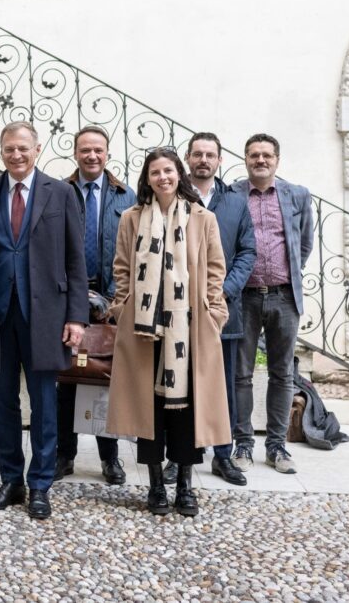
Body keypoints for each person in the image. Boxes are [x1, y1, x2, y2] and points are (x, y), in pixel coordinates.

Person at [0, 121, 88, 520]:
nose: (16, 155)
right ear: (1, 151)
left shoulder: (61, 193)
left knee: (45, 404)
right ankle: (11, 479)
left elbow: (75, 259)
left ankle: (41, 484)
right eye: (9, 148)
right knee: (2, 403)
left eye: (23, 148)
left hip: (46, 317)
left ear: (37, 149)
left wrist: (76, 317)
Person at [106, 147, 230, 517]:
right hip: (143, 330)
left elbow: (216, 269)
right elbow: (121, 267)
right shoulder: (131, 218)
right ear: (147, 179)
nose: (163, 177)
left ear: (180, 174)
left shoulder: (202, 218)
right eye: (155, 172)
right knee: (150, 411)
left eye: (169, 171)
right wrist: (122, 306)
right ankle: (156, 485)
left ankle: (186, 486)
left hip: (188, 330)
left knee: (185, 411)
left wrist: (214, 313)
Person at [56, 126, 136, 485]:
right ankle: (64, 455)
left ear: (107, 154)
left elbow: (134, 249)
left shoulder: (126, 195)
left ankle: (110, 458)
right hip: (68, 298)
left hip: (112, 300)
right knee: (68, 378)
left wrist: (117, 299)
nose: (91, 156)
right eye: (85, 150)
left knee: (106, 377)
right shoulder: (59, 192)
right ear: (75, 153)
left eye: (98, 150)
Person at [231, 133, 314, 475]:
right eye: (254, 155)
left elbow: (304, 243)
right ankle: (243, 443)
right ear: (246, 159)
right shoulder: (232, 194)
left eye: (267, 155)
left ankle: (276, 446)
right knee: (241, 373)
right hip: (244, 297)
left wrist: (287, 272)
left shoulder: (297, 195)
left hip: (284, 296)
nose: (260, 160)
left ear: (277, 160)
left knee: (282, 373)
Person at [183, 132, 256, 486]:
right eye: (197, 154)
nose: (203, 160)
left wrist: (223, 292)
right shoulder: (175, 197)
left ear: (219, 160)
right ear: (187, 158)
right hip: (179, 310)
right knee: (181, 386)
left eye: (209, 155)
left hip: (221, 312)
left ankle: (223, 456)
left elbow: (247, 252)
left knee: (223, 387)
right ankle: (181, 456)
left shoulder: (235, 203)